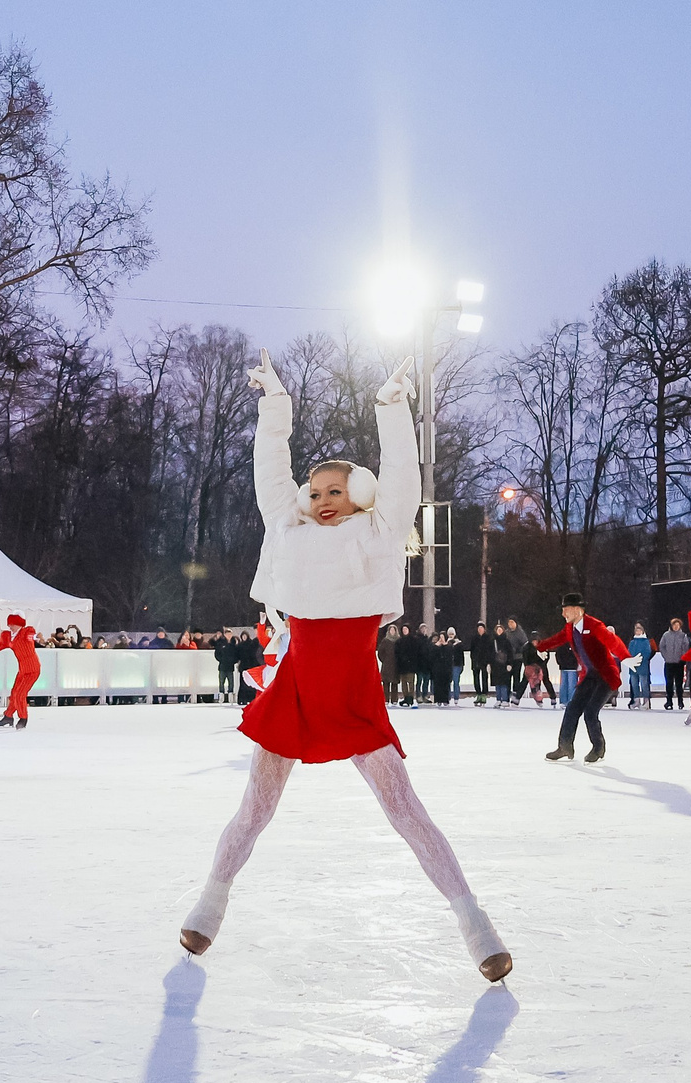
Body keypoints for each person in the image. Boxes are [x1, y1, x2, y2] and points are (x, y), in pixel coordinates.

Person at [176, 350, 511, 984]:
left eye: (336, 491)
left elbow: (403, 479)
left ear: (358, 495)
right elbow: (270, 473)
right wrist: (275, 405)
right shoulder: (291, 532)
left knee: (405, 810)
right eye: (316, 492)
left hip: (354, 694)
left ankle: (476, 924)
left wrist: (391, 407)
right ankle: (209, 905)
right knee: (254, 810)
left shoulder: (379, 535)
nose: (323, 500)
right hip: (295, 691)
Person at [540, 594, 631, 763]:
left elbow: (612, 641)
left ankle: (598, 748)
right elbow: (557, 639)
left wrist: (625, 657)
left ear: (577, 610)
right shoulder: (570, 628)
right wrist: (540, 647)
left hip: (606, 676)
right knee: (572, 708)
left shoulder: (594, 625)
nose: (563, 614)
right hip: (590, 675)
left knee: (590, 711)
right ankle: (565, 747)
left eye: (566, 610)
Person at [0, 611, 44, 728]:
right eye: (9, 624)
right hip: (22, 670)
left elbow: (31, 636)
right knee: (14, 693)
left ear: (19, 624)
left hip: (33, 669)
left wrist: (37, 637)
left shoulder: (26, 632)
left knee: (20, 694)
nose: (10, 626)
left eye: (12, 624)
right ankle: (8, 716)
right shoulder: (9, 637)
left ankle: (23, 718)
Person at [659, 614, 691, 712]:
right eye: (674, 625)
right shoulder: (666, 635)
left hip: (679, 663)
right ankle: (669, 701)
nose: (676, 627)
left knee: (679, 684)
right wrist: (666, 656)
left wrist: (682, 657)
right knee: (669, 683)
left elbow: (686, 647)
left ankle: (680, 701)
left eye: (678, 625)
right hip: (669, 663)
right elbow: (662, 646)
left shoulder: (683, 636)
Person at [625, 624, 655, 709]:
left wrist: (639, 660)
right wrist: (632, 660)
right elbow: (629, 652)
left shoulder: (645, 642)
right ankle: (636, 700)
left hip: (643, 666)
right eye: (636, 631)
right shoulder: (632, 642)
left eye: (639, 630)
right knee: (634, 684)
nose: (638, 632)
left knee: (644, 684)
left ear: (642, 631)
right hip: (633, 666)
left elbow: (647, 653)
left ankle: (646, 701)